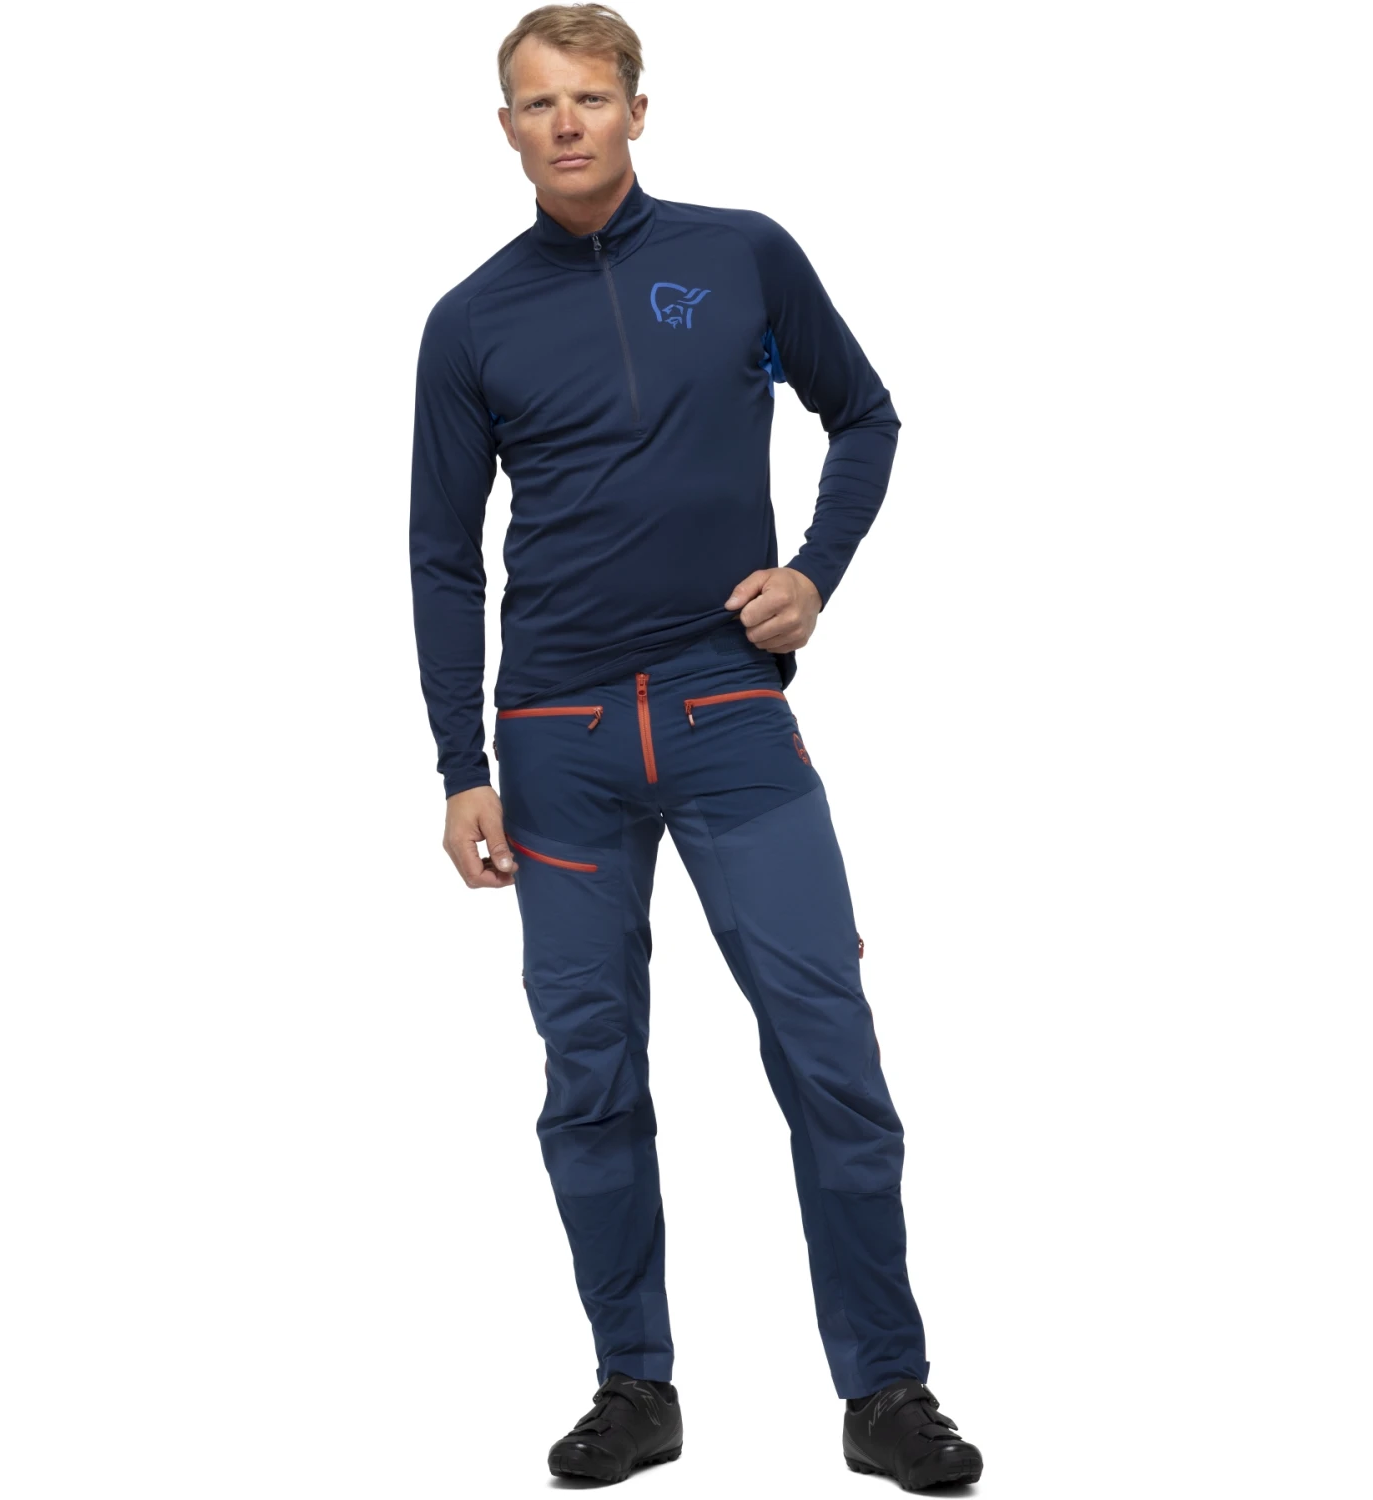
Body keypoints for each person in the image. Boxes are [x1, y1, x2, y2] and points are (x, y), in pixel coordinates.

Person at [408, 4, 984, 1489]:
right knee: (590, 1072)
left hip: (729, 710)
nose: (567, 123)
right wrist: (460, 767)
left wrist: (815, 574)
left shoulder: (743, 256)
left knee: (830, 1050)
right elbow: (443, 556)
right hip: (555, 738)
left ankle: (887, 1391)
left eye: (591, 97)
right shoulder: (470, 321)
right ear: (506, 129)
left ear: (638, 111)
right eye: (538, 103)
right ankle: (634, 1386)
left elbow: (866, 417)